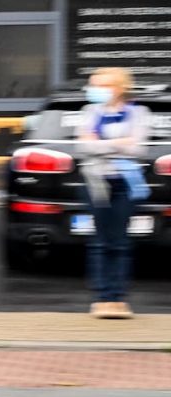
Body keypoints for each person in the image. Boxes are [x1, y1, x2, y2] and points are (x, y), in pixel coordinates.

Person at [76, 67, 151, 319]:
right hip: (97, 183)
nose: (92, 90)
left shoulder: (138, 113)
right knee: (100, 241)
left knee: (119, 242)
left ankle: (118, 298)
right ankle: (102, 298)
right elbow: (82, 146)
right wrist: (119, 144)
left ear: (117, 88)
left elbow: (139, 149)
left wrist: (99, 144)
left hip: (125, 184)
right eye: (92, 85)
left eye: (99, 85)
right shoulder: (90, 112)